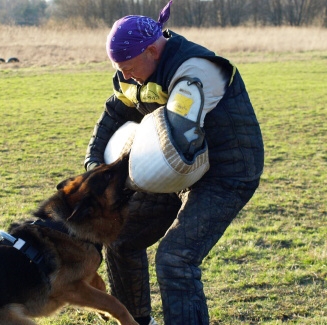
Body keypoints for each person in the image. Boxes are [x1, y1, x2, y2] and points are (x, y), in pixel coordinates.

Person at [83, 1, 264, 324]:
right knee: (121, 239)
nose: (124, 75)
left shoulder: (196, 72)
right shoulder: (135, 73)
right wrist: (94, 164)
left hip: (226, 174)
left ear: (152, 50)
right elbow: (114, 112)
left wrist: (121, 181)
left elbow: (177, 147)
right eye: (118, 67)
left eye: (128, 66)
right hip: (178, 171)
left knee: (175, 259)